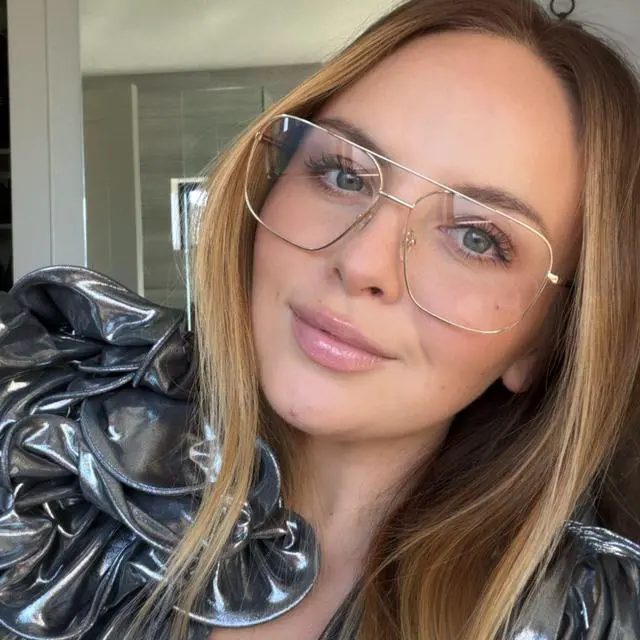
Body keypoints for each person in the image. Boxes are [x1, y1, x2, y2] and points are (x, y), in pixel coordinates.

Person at [1, 0, 640, 638]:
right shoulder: (47, 441)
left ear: (546, 339)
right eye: (344, 174)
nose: (361, 262)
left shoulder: (584, 619)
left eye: (476, 238)